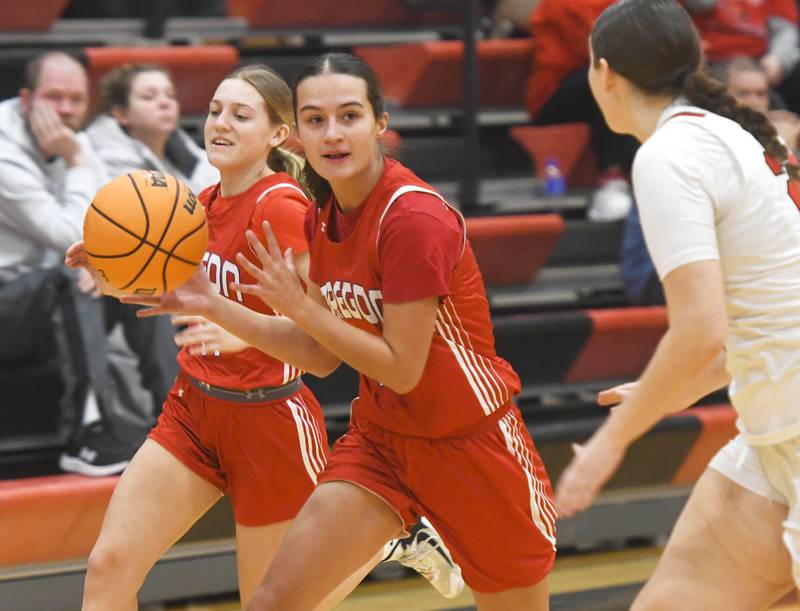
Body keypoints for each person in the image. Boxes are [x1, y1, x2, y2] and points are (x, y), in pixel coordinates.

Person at [119, 52, 557, 610]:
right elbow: (320, 358)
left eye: (349, 116)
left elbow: (402, 368)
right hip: (382, 443)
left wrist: (299, 308)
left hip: (471, 445)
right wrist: (213, 305)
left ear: (379, 122)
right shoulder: (320, 215)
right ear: (296, 134)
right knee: (271, 602)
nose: (333, 133)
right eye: (316, 120)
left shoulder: (413, 219)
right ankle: (406, 537)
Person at [68, 63, 463, 609]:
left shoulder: (282, 207)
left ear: (278, 135)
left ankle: (389, 539)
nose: (220, 123)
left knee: (275, 603)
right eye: (213, 111)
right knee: (108, 566)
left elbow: (325, 342)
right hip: (194, 411)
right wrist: (113, 263)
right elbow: (166, 294)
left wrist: (239, 332)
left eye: (239, 114)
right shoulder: (200, 205)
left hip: (269, 423)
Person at [555, 1, 800, 607]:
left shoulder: (668, 154)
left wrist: (612, 442)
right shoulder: (718, 134)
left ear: (604, 73)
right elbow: (756, 312)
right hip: (773, 436)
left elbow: (700, 331)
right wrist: (671, 388)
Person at [0, 51, 178, 476]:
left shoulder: (73, 139)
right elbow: (70, 233)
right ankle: (88, 434)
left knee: (138, 272)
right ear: (27, 100)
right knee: (72, 272)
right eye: (53, 97)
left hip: (45, 303)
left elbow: (112, 224)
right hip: (10, 306)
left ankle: (179, 423)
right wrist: (77, 159)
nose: (65, 110)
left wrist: (101, 261)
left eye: (76, 100)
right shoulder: (5, 150)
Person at [523, 0, 637, 221]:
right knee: (608, 78)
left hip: (607, 82)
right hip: (553, 96)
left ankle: (644, 174)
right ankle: (611, 180)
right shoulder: (562, 4)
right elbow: (599, 49)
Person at [87, 63, 219, 194]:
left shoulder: (178, 141)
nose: (165, 103)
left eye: (170, 95)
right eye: (149, 97)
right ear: (121, 114)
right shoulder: (111, 154)